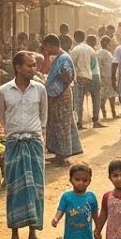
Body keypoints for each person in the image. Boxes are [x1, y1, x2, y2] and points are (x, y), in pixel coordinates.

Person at [0, 50, 49, 239]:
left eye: (34, 65)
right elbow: (2, 117)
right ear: (18, 67)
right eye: (29, 65)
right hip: (14, 143)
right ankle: (14, 236)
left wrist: (38, 136)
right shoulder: (4, 90)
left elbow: (44, 116)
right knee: (14, 189)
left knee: (36, 188)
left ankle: (33, 233)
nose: (33, 69)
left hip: (34, 142)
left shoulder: (40, 90)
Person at [43, 34, 83, 165]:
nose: (46, 50)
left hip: (62, 96)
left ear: (53, 45)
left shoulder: (64, 58)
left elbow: (68, 77)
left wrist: (63, 76)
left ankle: (64, 155)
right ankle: (58, 154)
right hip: (56, 95)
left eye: (48, 47)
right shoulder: (58, 57)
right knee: (55, 124)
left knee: (62, 125)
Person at [69, 30, 95, 129]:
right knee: (84, 100)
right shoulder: (90, 49)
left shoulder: (75, 49)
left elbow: (72, 64)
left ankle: (78, 123)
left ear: (75, 38)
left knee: (78, 101)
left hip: (79, 77)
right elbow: (93, 64)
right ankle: (82, 122)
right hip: (89, 76)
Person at [97, 36, 121, 119]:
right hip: (108, 77)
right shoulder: (108, 54)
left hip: (101, 77)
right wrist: (115, 78)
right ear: (107, 44)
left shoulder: (98, 52)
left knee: (102, 97)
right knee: (111, 96)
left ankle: (104, 114)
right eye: (110, 44)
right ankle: (113, 113)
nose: (111, 46)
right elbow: (110, 67)